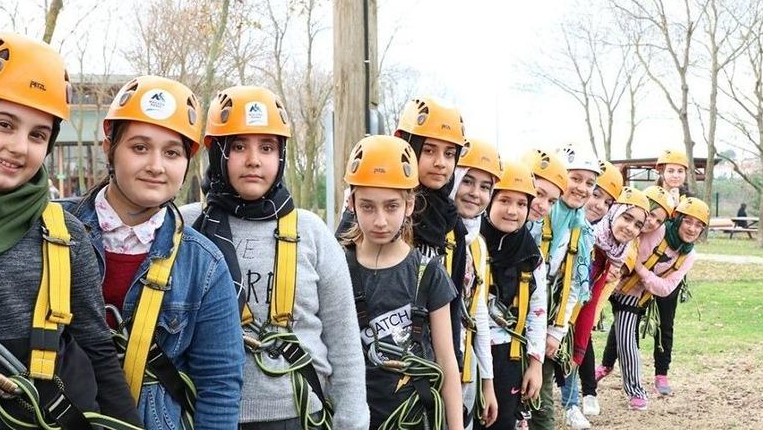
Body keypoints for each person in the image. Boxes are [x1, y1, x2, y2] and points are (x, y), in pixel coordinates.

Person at [0, 32, 141, 428]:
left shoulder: (65, 236)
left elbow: (96, 347)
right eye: (4, 124)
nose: (20, 147)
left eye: (38, 134)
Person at [62, 75, 244, 428]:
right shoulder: (52, 229)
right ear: (109, 147)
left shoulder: (203, 265)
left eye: (172, 152)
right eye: (140, 147)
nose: (156, 166)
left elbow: (219, 387)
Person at [185, 86, 367, 429]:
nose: (254, 159)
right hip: (210, 414)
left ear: (281, 156)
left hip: (300, 414)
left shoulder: (312, 234)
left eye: (267, 148)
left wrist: (352, 421)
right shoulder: (187, 226)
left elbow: (344, 343)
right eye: (239, 146)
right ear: (217, 153)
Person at [339, 134, 463, 429]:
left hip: (415, 418)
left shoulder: (428, 272)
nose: (380, 220)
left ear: (409, 205)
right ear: (352, 203)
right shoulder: (339, 266)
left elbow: (447, 360)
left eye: (391, 206)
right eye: (368, 207)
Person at [605, 197, 708, 410]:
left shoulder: (689, 256)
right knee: (580, 326)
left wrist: (641, 270)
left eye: (699, 225)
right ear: (677, 219)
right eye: (688, 221)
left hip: (633, 292)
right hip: (610, 276)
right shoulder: (657, 230)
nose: (692, 228)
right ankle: (586, 381)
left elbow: (666, 288)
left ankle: (636, 390)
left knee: (627, 338)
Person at [528, 144, 600, 430]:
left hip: (544, 323)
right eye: (576, 178)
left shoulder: (582, 231)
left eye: (589, 183)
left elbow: (573, 285)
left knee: (542, 405)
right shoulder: (534, 213)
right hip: (509, 319)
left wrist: (556, 332)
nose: (582, 188)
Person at [478, 161, 547, 430]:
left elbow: (538, 311)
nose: (512, 210)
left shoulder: (531, 255)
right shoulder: (472, 243)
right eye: (504, 200)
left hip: (510, 356)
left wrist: (536, 364)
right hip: (470, 353)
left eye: (521, 204)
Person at [559, 160, 624, 430]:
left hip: (577, 303)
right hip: (551, 298)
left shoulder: (608, 246)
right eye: (596, 194)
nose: (598, 204)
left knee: (576, 344)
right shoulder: (563, 219)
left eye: (607, 202)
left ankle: (572, 403)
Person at [596, 185, 674, 381]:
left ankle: (619, 375)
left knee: (625, 330)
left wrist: (622, 269)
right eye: (651, 215)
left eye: (658, 220)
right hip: (605, 283)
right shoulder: (616, 227)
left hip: (629, 289)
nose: (652, 222)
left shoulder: (644, 237)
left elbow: (631, 256)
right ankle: (605, 366)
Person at [449, 138, 501, 427]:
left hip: (466, 370)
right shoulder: (432, 236)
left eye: (485, 187)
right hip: (429, 373)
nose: (475, 193)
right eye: (467, 181)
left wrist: (488, 382)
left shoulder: (477, 245)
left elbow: (478, 312)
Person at [650, 148, 693, 395]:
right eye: (671, 171)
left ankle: (661, 373)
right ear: (662, 172)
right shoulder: (652, 196)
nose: (675, 175)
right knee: (628, 317)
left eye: (679, 171)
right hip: (646, 264)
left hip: (671, 268)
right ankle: (608, 363)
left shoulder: (690, 201)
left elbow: (691, 232)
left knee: (666, 323)